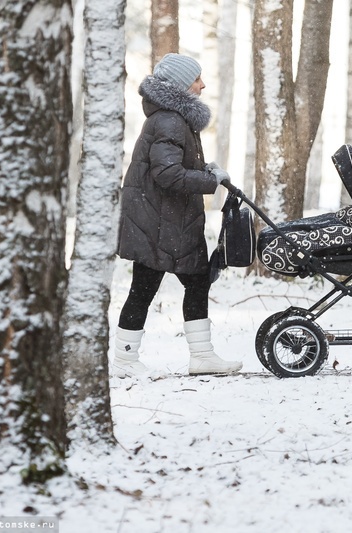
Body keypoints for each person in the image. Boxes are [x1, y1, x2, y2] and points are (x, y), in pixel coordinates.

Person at [113, 53, 242, 377]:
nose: (203, 84)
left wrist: (205, 169)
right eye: (197, 79)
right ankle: (125, 361)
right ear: (182, 85)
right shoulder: (170, 119)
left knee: (194, 281)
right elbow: (167, 174)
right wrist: (209, 180)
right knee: (145, 287)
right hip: (157, 220)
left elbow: (173, 166)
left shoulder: (173, 118)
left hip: (168, 219)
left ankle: (202, 357)